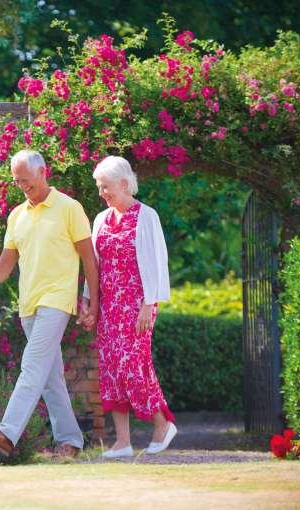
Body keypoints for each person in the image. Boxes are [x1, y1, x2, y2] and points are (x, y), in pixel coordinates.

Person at [0, 149, 99, 459]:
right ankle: (71, 442)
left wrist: (92, 303)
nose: (22, 186)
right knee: (50, 376)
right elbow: (7, 260)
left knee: (32, 366)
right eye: (17, 182)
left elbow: (89, 259)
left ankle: (6, 433)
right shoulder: (17, 215)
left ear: (43, 172)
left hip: (57, 300)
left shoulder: (70, 208)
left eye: (26, 180)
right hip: (28, 304)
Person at [79, 155, 177, 458]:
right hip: (109, 307)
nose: (101, 193)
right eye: (99, 187)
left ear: (124, 184)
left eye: (105, 186)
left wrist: (150, 304)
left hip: (138, 306)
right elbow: (94, 264)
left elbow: (159, 263)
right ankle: (122, 442)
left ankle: (162, 425)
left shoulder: (146, 215)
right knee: (110, 369)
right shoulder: (100, 220)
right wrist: (87, 300)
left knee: (133, 366)